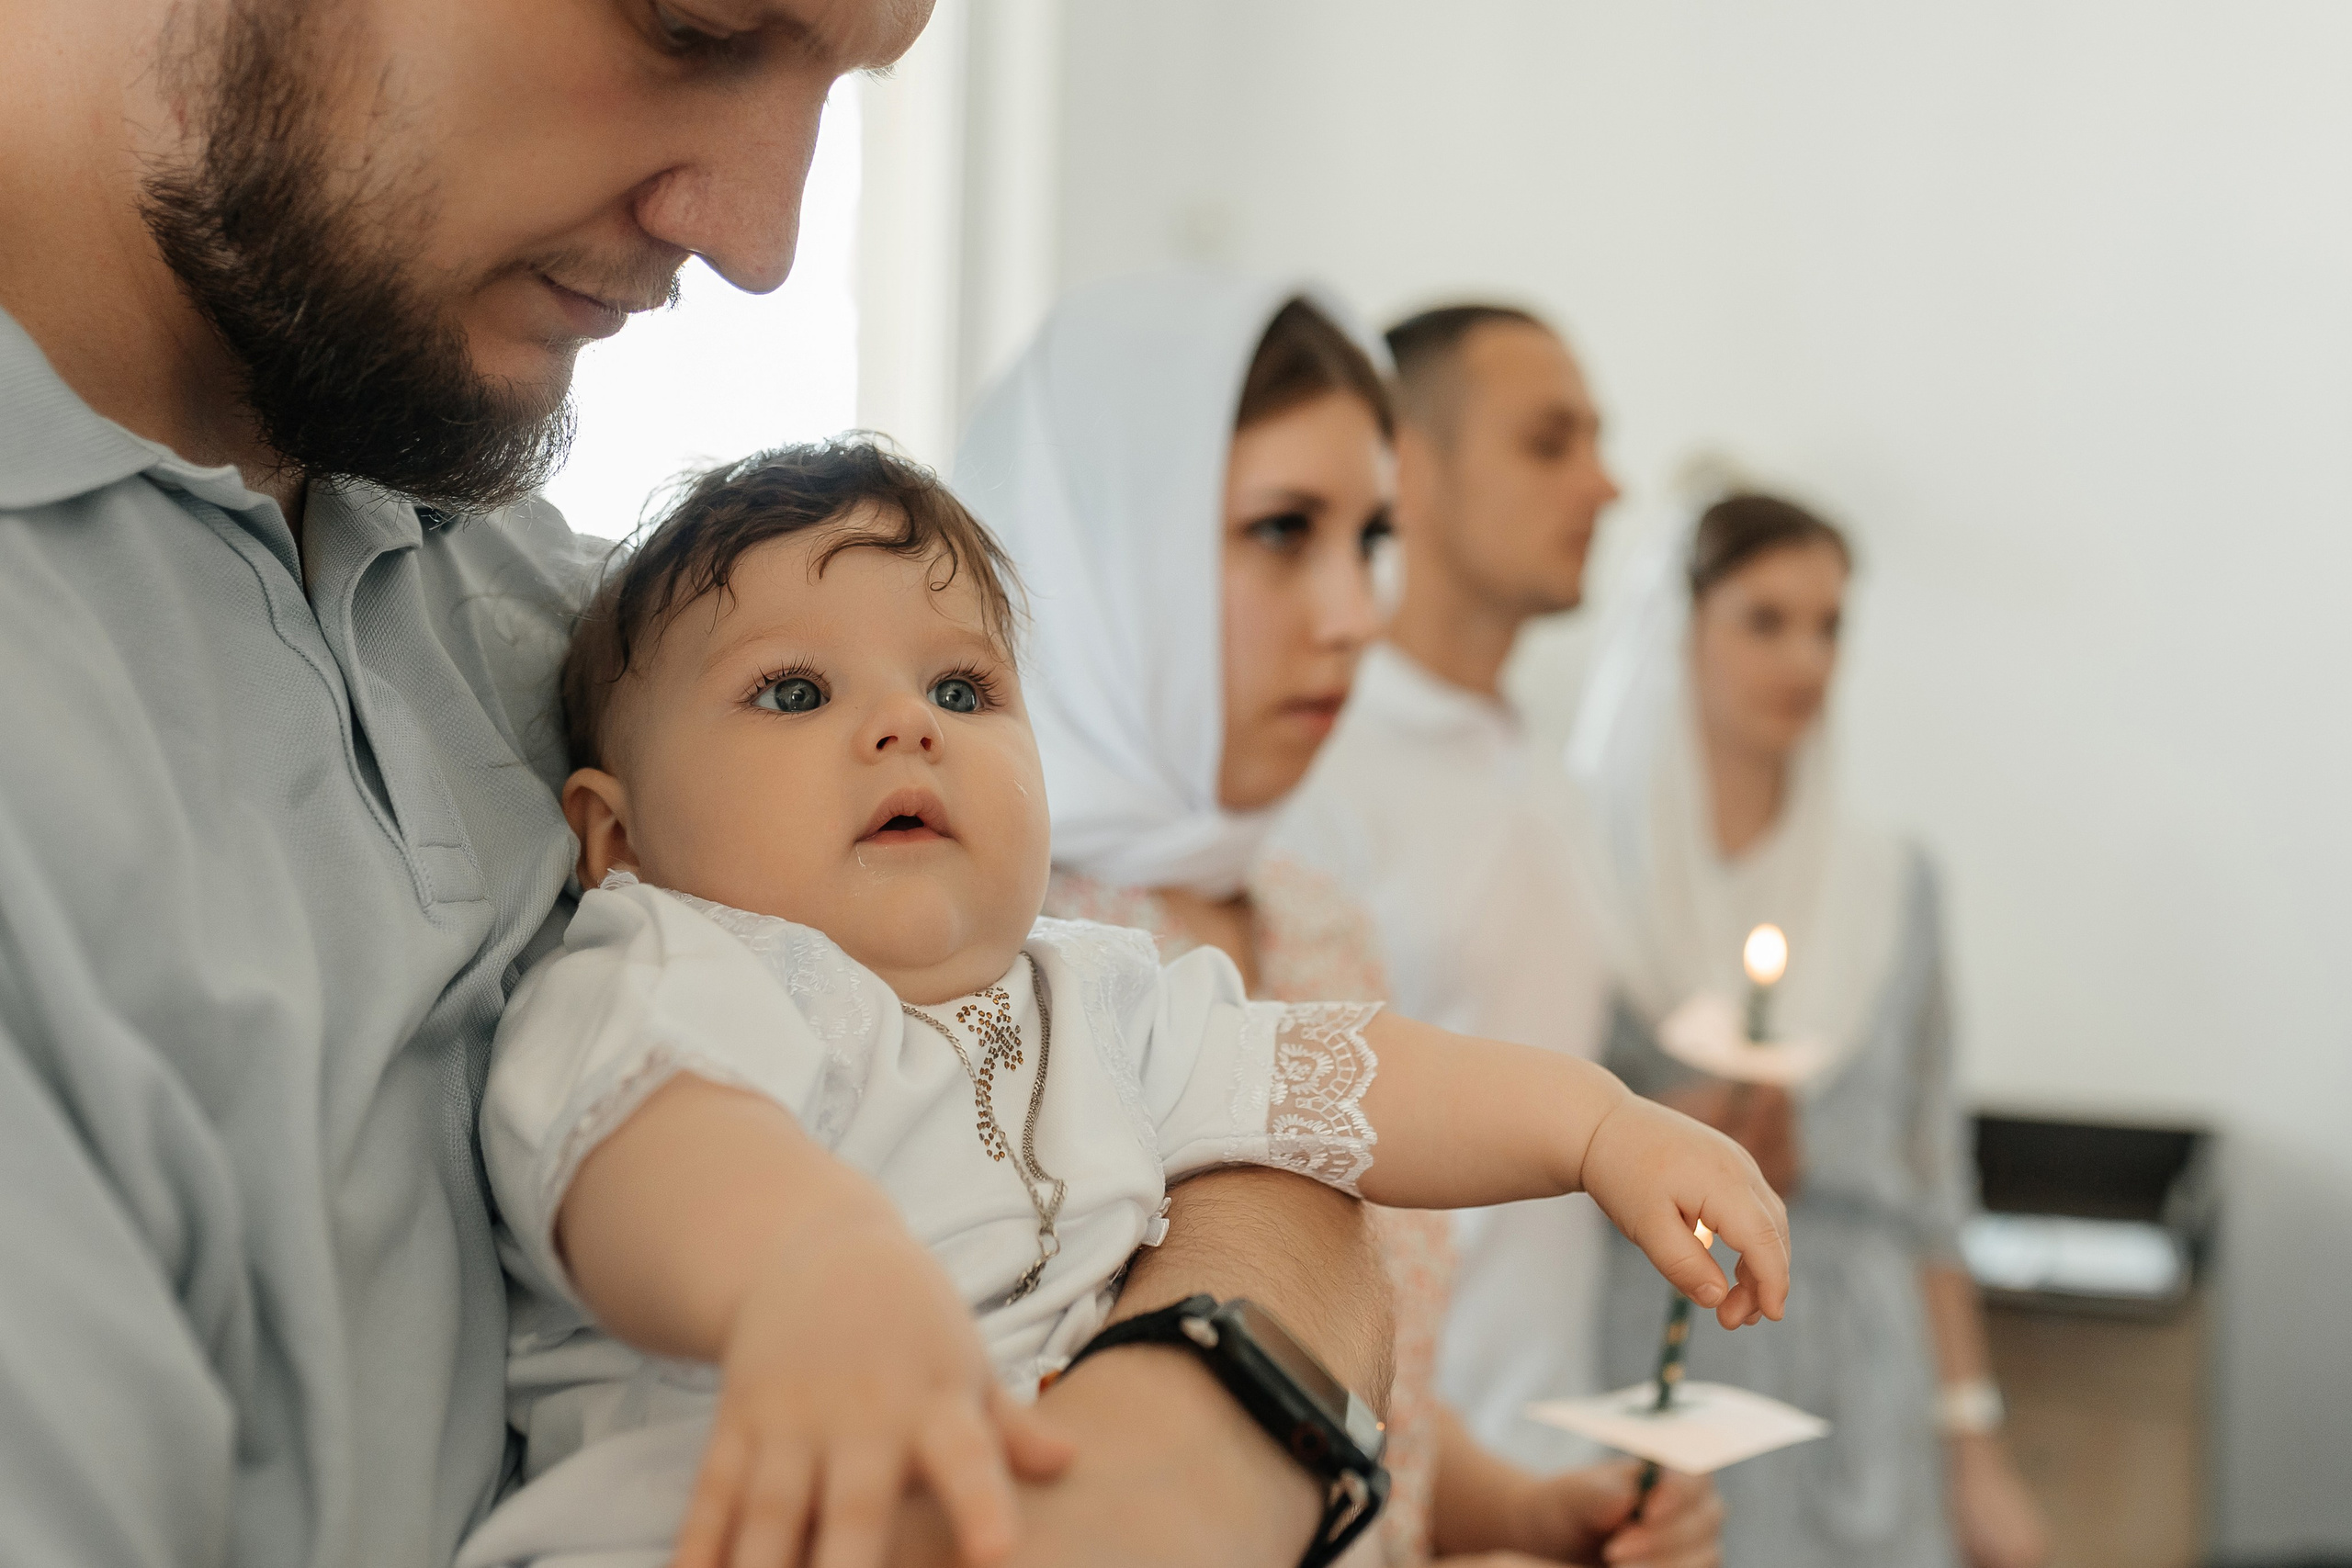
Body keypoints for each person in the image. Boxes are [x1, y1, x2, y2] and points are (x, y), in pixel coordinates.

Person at [1, 6, 1433, 1564]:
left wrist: (1184, 1441)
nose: (761, 238)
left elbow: (1283, 1158)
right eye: (694, 27)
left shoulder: (559, 610)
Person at [453, 435, 1786, 1568]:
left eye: (960, 686)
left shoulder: (1094, 991)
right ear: (612, 835)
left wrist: (1598, 1128)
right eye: (793, 690)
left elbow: (1356, 1080)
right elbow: (653, 1146)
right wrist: (806, 1267)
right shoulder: (680, 961)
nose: (903, 725)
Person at [956, 269, 1736, 1568]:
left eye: (1370, 536)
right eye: (1280, 530)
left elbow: (1373, 1404)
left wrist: (1533, 1515)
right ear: (1105, 546)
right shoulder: (979, 948)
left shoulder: (1310, 912)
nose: (1354, 613)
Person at [1272, 303, 1721, 1474]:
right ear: (1408, 470)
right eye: (1548, 442)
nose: (1605, 488)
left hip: (1543, 1451)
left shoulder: (1541, 769)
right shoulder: (1309, 762)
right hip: (1387, 1454)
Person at [1573, 492, 2051, 1568]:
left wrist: (1974, 1445)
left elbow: (1932, 1189)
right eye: (1765, 619)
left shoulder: (1894, 888)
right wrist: (1651, 1138)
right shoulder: (1587, 880)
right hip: (1657, 1356)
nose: (1804, 658)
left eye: (1829, 626)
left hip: (1857, 1377)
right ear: (1683, 627)